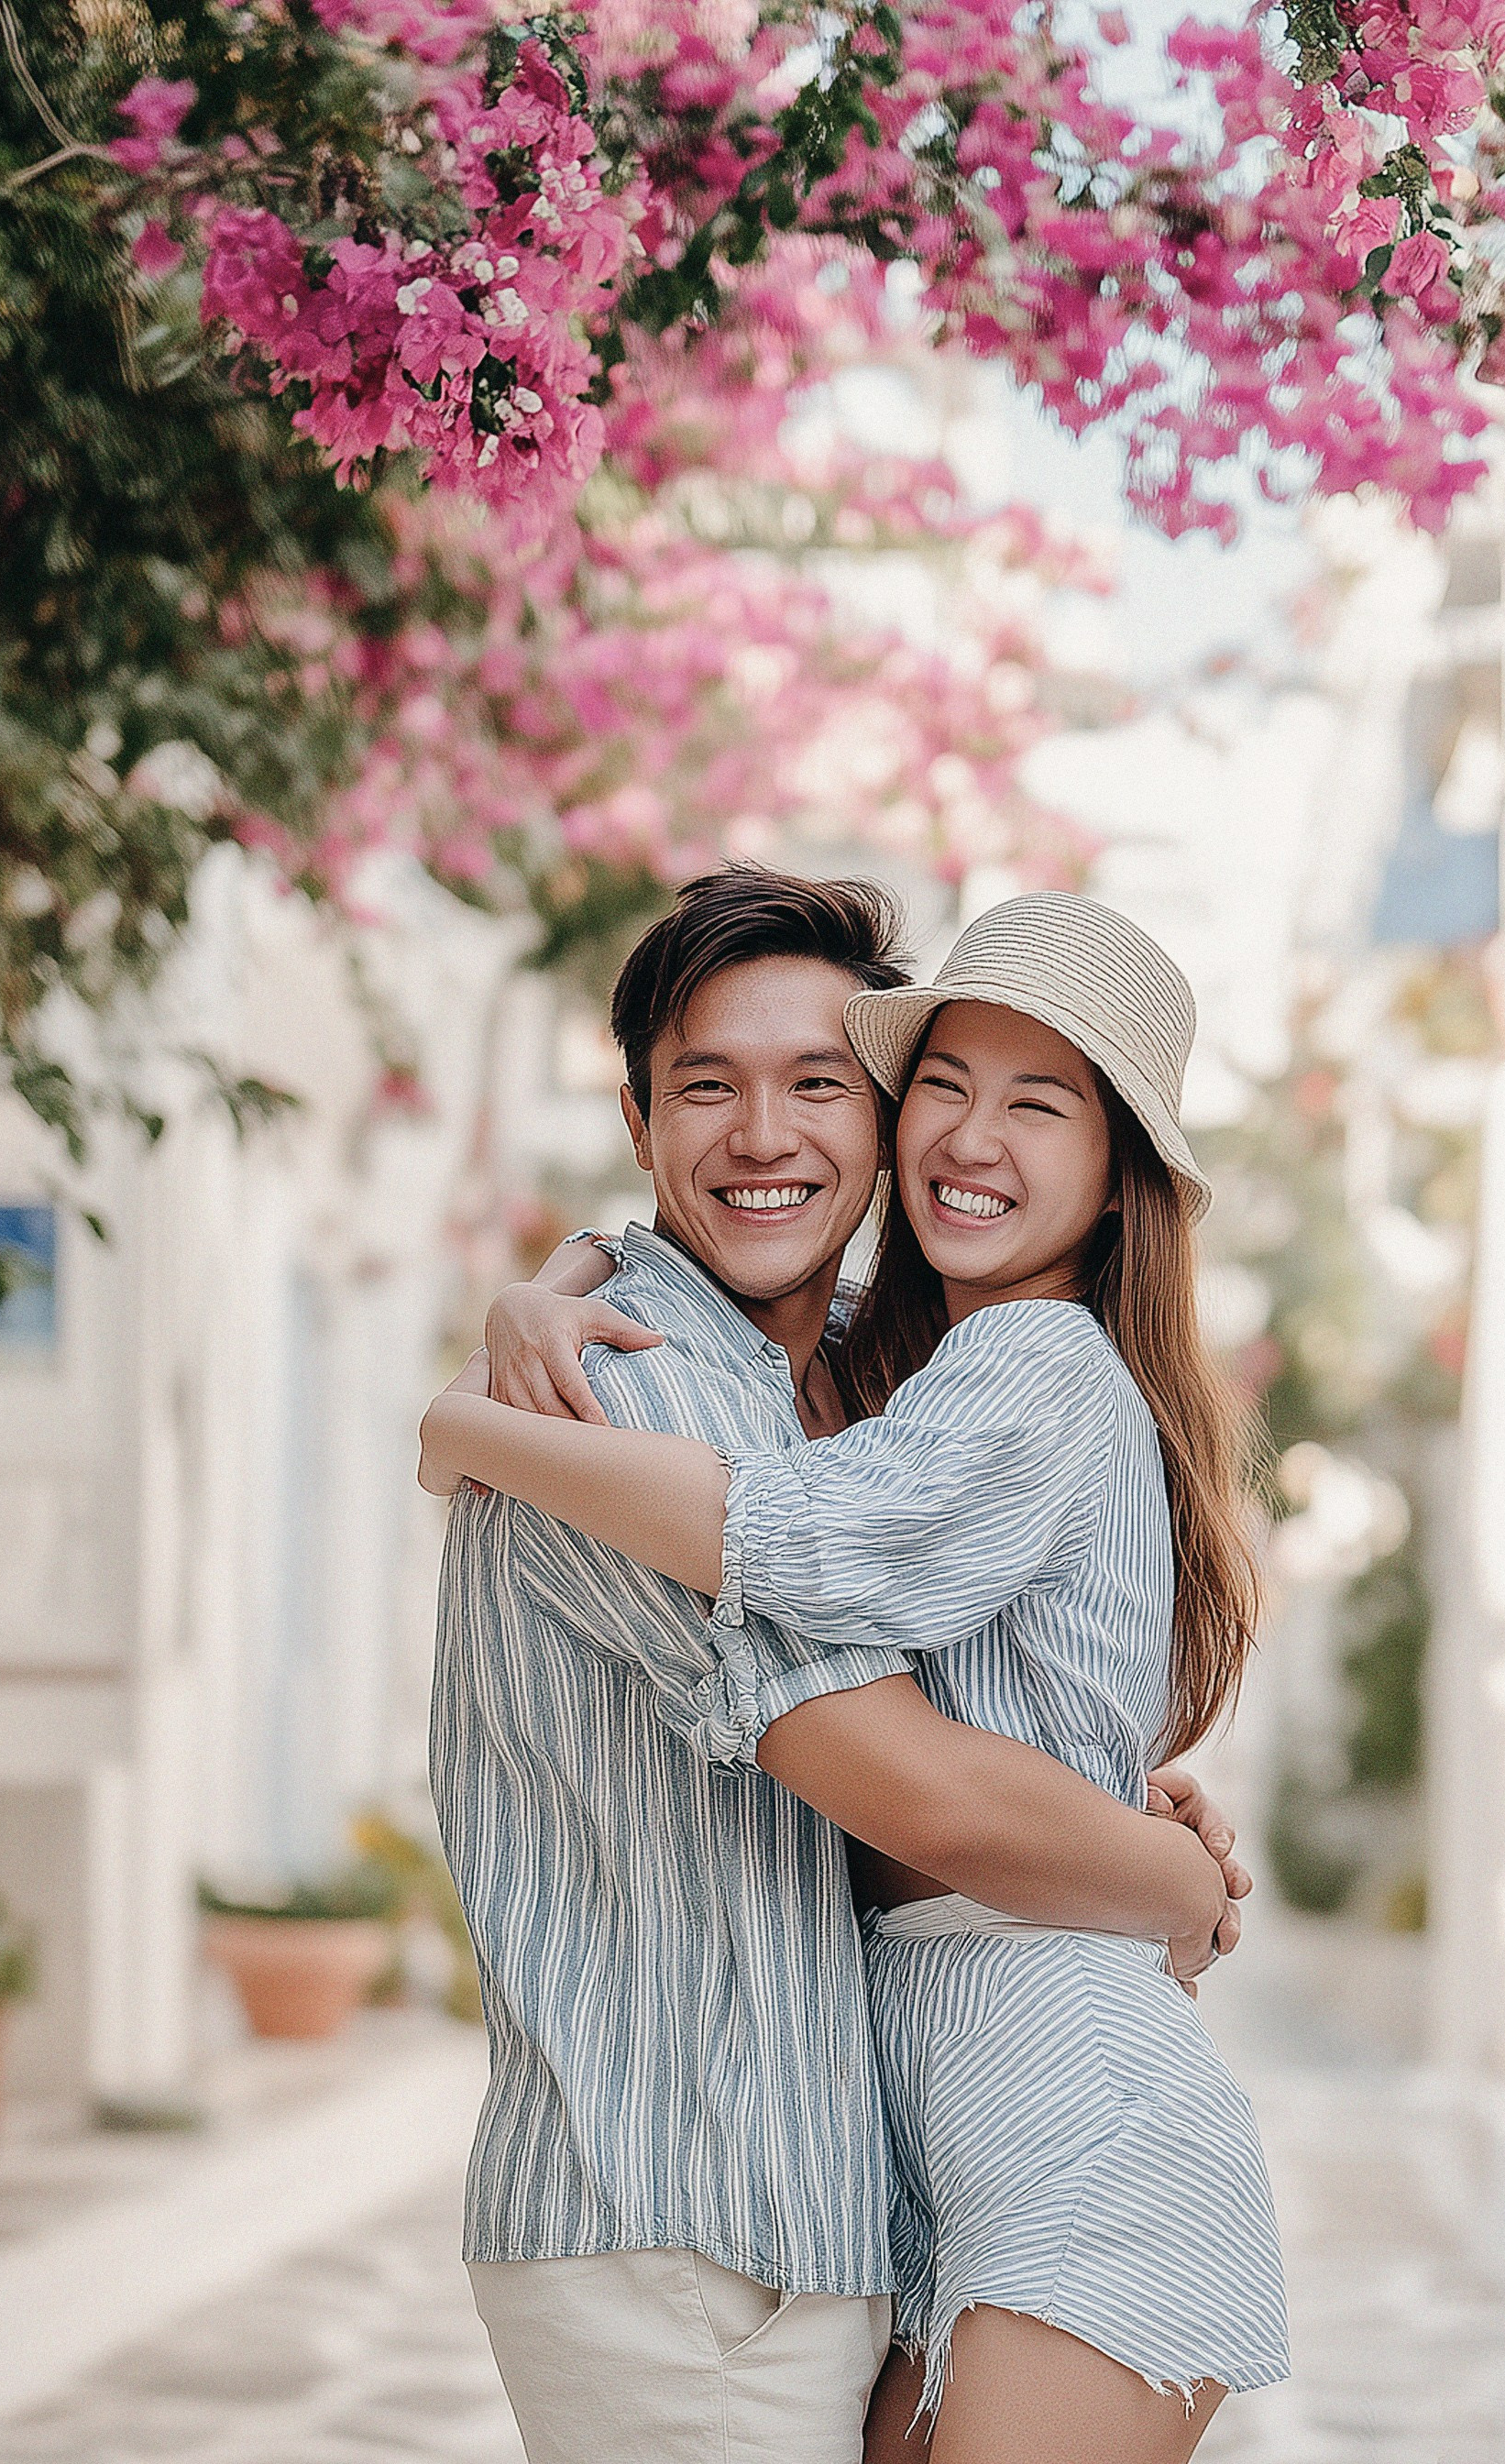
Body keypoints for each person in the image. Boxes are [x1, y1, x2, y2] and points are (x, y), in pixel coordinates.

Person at [421, 889, 1291, 2464]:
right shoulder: (665, 1373)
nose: (768, 1131)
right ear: (639, 1115)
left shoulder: (955, 1376)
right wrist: (1161, 1871)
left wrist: (477, 1421)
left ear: (1118, 1177)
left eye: (823, 1082)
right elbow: (929, 1792)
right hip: (716, 2216)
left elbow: (898, 1708)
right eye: (708, 1086)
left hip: (1016, 2151)